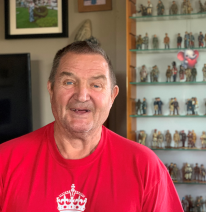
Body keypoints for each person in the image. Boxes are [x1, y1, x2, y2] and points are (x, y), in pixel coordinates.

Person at [0, 41, 183, 211]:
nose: (81, 96)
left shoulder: (145, 166)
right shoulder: (4, 161)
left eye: (96, 85)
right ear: (52, 89)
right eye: (69, 82)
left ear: (113, 95)